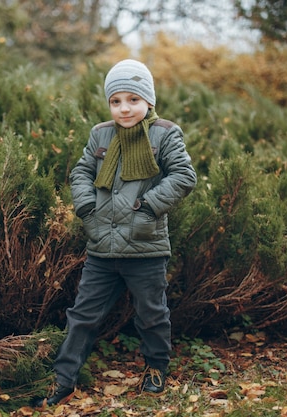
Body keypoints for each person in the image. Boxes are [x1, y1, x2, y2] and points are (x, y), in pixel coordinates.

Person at [32, 59, 197, 407]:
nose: (124, 108)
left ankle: (155, 368)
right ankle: (63, 378)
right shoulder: (100, 134)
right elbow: (81, 173)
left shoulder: (165, 133)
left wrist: (148, 206)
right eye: (116, 100)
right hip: (101, 248)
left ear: (148, 101)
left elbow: (183, 176)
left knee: (151, 314)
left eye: (133, 99)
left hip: (145, 247)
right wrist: (87, 210)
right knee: (82, 316)